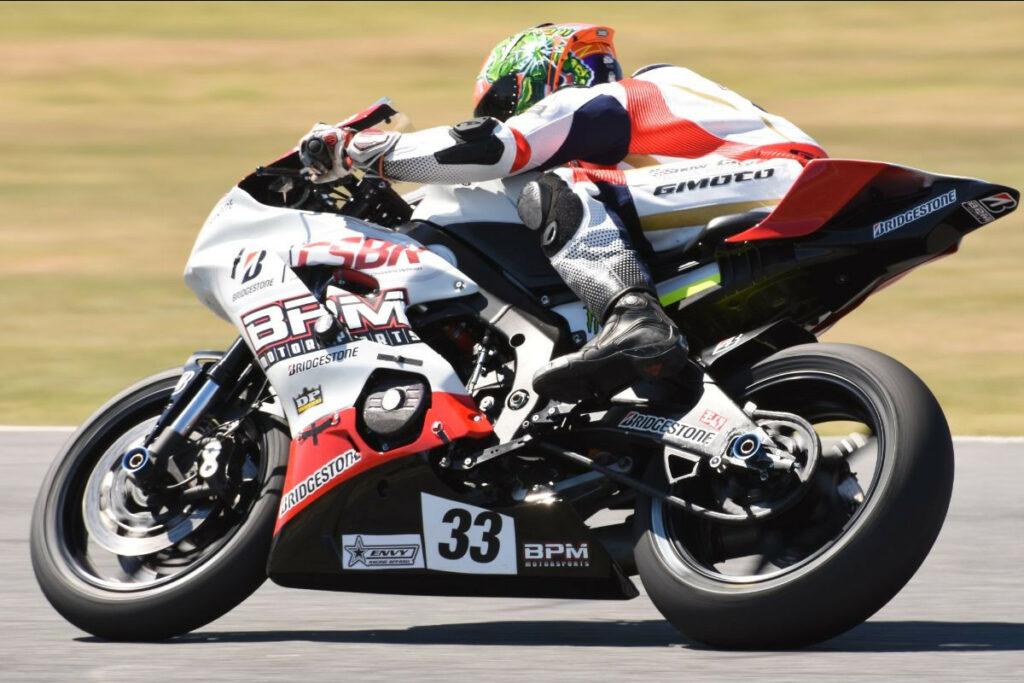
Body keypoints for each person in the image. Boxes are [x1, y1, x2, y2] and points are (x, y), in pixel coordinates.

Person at [297, 22, 826, 404]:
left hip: (774, 180)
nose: (511, 113)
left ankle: (632, 318)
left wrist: (362, 151)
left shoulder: (613, 97)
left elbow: (495, 147)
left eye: (509, 101)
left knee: (547, 181)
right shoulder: (651, 122)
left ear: (537, 79)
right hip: (783, 192)